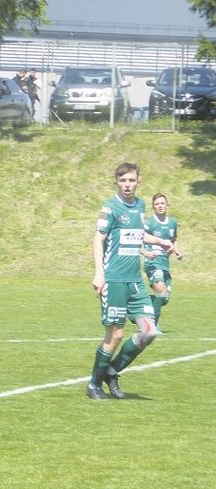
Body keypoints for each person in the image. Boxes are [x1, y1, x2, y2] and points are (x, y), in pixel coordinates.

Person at [86, 163, 174, 400]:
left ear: (138, 181)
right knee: (115, 336)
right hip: (113, 280)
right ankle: (94, 384)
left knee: (149, 331)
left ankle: (112, 371)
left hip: (134, 281)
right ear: (116, 181)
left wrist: (158, 241)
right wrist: (99, 273)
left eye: (131, 180)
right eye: (123, 180)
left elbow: (137, 234)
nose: (127, 185)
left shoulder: (140, 205)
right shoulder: (110, 207)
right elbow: (98, 239)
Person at [141, 193, 182, 328]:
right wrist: (145, 252)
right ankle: (153, 326)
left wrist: (177, 251)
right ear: (153, 207)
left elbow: (173, 239)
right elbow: (139, 237)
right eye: (157, 204)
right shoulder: (150, 223)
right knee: (161, 292)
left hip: (165, 263)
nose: (160, 206)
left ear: (167, 205)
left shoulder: (172, 222)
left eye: (162, 203)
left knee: (164, 299)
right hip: (152, 262)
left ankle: (144, 302)